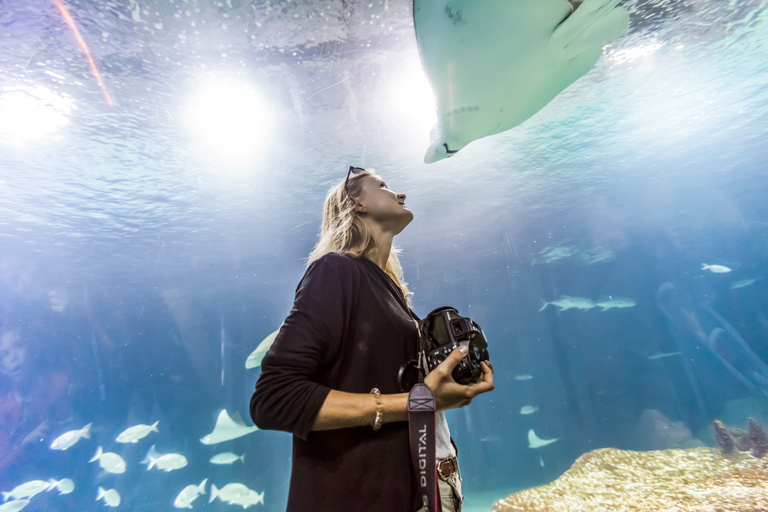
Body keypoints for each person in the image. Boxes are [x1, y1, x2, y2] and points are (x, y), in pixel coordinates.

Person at [250, 167, 494, 511]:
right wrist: (418, 402)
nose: (401, 193)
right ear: (356, 204)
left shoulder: (393, 293)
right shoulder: (334, 271)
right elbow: (273, 399)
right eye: (382, 185)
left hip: (418, 490)